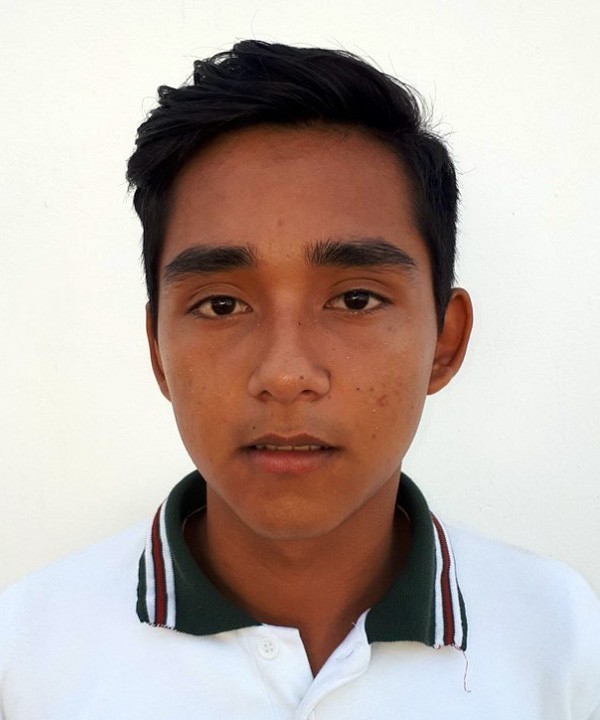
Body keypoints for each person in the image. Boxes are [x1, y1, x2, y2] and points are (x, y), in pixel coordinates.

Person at [1, 39, 599, 719]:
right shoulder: (27, 659)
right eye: (221, 305)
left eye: (355, 300)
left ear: (445, 341)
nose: (285, 375)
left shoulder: (564, 641)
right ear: (158, 349)